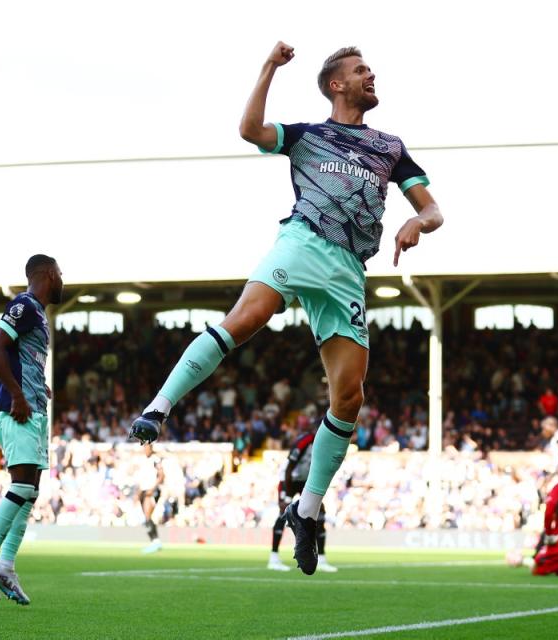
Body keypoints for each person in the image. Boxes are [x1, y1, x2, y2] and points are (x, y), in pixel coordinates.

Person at [129, 42, 443, 575]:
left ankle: (307, 510)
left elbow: (433, 207)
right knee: (245, 320)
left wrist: (418, 222)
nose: (372, 75)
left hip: (347, 269)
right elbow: (251, 130)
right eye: (361, 70)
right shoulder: (306, 136)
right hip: (302, 243)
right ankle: (158, 408)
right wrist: (269, 67)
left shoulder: (391, 147)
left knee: (349, 397)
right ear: (336, 85)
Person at [0, 254, 63, 604]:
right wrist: (18, 393)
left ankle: (6, 564)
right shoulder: (23, 305)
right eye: (61, 274)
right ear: (50, 274)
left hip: (34, 409)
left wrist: (37, 386)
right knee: (21, 485)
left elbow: (22, 358)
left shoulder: (39, 313)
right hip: (17, 410)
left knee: (30, 492)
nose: (63, 279)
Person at [269, 418, 337, 572]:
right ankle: (273, 557)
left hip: (305, 481)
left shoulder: (325, 444)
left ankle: (322, 558)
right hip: (290, 480)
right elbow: (289, 467)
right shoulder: (305, 441)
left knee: (320, 514)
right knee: (283, 514)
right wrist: (286, 495)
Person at [139, 443, 165, 554]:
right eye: (144, 447)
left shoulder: (155, 459)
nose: (146, 449)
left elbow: (162, 475)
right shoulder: (144, 461)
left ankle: (155, 541)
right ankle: (154, 541)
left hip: (151, 491)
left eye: (147, 447)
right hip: (144, 490)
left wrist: (153, 489)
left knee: (148, 516)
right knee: (146, 518)